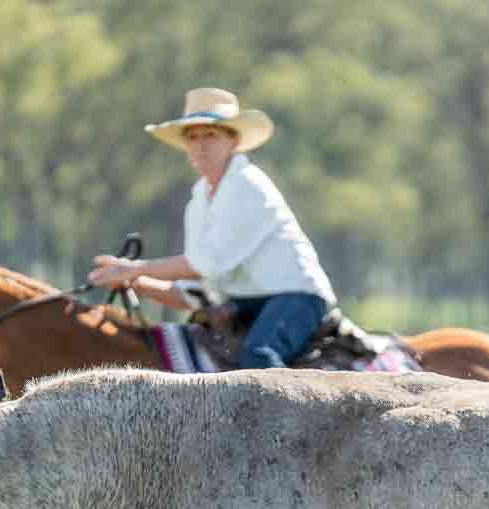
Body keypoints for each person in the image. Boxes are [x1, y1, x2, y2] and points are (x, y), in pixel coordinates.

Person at [86, 87, 337, 369]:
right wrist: (134, 282)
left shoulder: (247, 185)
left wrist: (134, 269)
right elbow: (197, 292)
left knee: (259, 357)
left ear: (233, 141)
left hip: (296, 295)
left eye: (210, 135)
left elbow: (202, 265)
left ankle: (294, 413)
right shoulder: (199, 201)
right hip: (245, 301)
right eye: (192, 137)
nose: (200, 145)